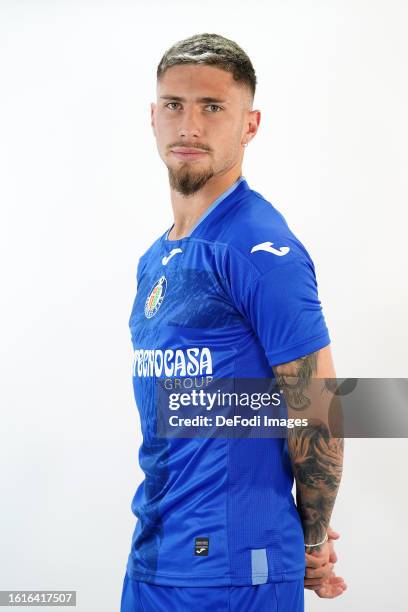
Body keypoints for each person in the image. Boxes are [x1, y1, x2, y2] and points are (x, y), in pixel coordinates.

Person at [121, 33, 347, 611]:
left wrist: (311, 538)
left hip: (237, 570)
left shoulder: (261, 248)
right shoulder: (155, 260)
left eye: (213, 108)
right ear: (153, 117)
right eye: (174, 104)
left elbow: (318, 409)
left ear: (249, 124)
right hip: (151, 560)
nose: (189, 125)